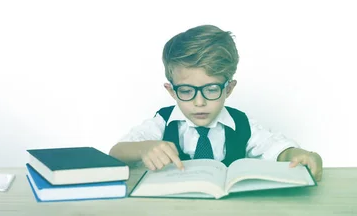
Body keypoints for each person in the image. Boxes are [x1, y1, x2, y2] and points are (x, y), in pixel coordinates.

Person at [108, 24, 323, 181]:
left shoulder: (241, 124)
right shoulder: (162, 122)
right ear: (171, 91)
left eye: (211, 89)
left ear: (228, 88)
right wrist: (145, 149)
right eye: (186, 90)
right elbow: (116, 153)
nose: (199, 102)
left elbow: (276, 148)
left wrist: (298, 155)